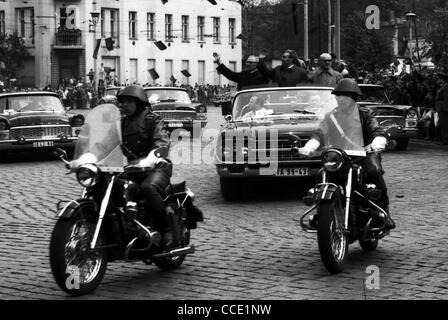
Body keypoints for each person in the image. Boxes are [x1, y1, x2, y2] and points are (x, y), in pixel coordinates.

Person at [298, 79, 395, 231]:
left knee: (372, 171)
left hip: (364, 153)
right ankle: (321, 212)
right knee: (321, 174)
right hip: (339, 156)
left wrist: (378, 141)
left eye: (344, 95)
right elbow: (319, 134)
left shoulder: (365, 114)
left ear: (353, 97)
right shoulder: (331, 116)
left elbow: (376, 130)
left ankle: (384, 212)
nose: (339, 99)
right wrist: (309, 147)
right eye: (337, 96)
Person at [116, 85, 174, 248]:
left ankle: (165, 229)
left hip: (156, 167)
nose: (124, 105)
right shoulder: (121, 123)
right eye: (122, 102)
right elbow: (106, 142)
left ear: (139, 102)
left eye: (128, 102)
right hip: (133, 168)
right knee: (110, 186)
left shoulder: (153, 120)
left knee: (148, 188)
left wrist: (154, 156)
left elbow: (161, 140)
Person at [435, 72, 448, 145]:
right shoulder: (443, 86)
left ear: (443, 79)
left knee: (445, 124)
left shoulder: (446, 87)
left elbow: (446, 98)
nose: (438, 80)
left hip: (443, 108)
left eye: (439, 78)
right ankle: (444, 139)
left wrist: (446, 108)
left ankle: (445, 140)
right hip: (441, 108)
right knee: (443, 124)